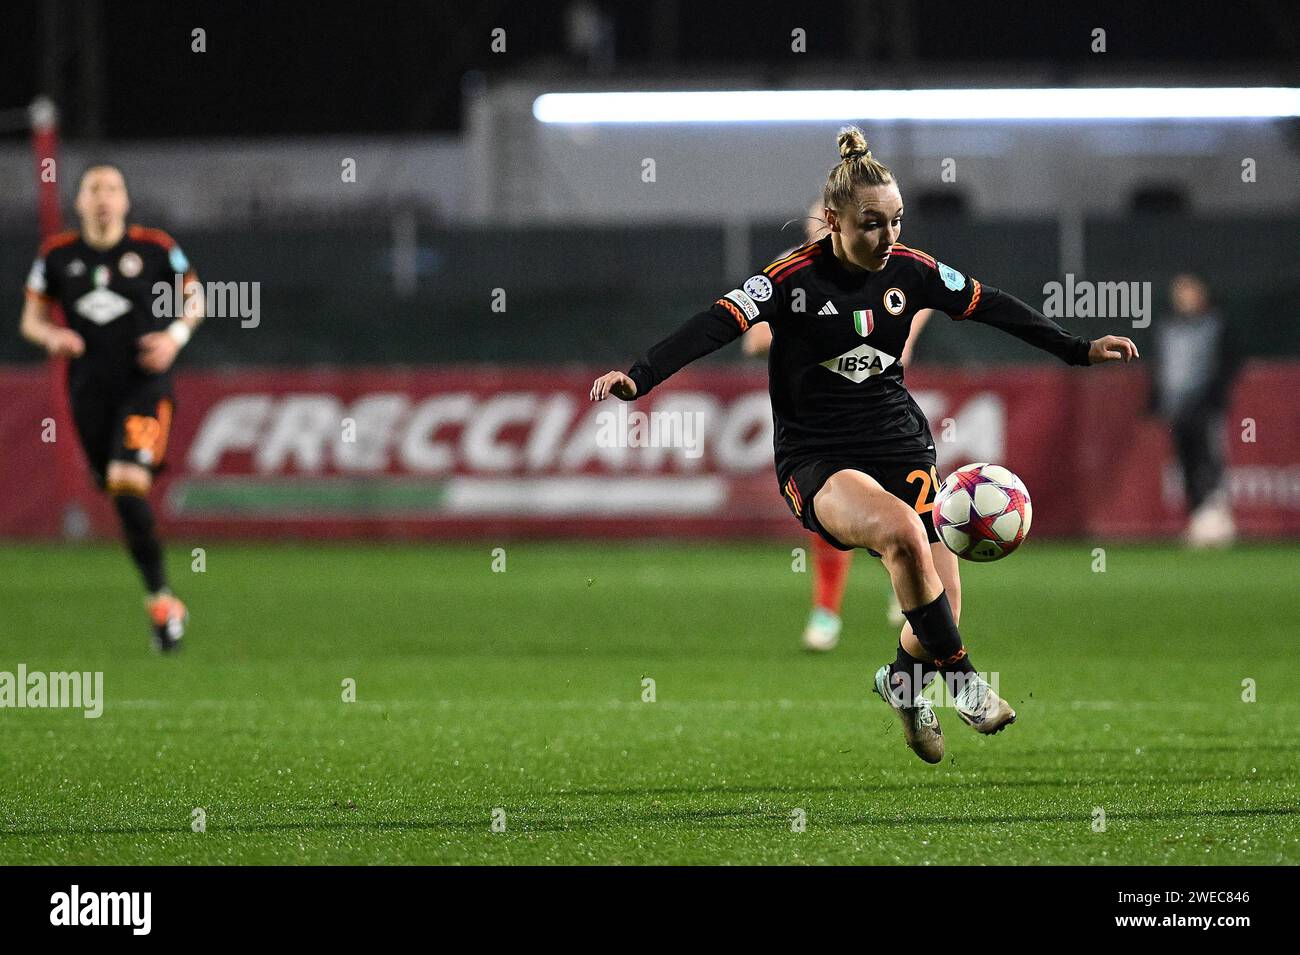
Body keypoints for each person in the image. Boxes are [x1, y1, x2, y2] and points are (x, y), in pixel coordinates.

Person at [590, 127, 1138, 763]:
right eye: (872, 224)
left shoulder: (913, 271)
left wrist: (1077, 349)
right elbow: (715, 323)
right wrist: (642, 375)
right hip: (817, 456)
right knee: (904, 533)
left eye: (896, 222)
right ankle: (963, 682)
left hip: (899, 441)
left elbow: (990, 305)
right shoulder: (787, 279)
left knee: (941, 605)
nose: (888, 238)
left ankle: (903, 686)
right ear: (832, 222)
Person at [20, 164, 204, 651]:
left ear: (125, 201)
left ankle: (161, 602)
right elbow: (31, 320)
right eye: (94, 189)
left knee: (127, 482)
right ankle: (163, 601)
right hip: (89, 392)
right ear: (79, 203)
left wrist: (175, 337)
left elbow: (195, 299)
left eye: (113, 189)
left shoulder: (156, 248)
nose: (104, 198)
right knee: (119, 492)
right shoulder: (56, 256)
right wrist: (52, 334)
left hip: (146, 385)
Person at [741, 198, 932, 651]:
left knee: (902, 510)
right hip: (822, 423)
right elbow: (753, 339)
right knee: (836, 513)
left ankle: (902, 585)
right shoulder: (794, 277)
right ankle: (827, 612)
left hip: (879, 412)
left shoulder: (889, 271)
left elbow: (925, 303)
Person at [1150, 273, 1241, 547]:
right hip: (1176, 409)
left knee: (1209, 459)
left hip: (1205, 407)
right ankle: (1198, 518)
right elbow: (1161, 368)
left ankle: (1218, 519)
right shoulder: (1167, 328)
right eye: (1179, 291)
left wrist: (1213, 396)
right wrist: (1155, 402)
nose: (1183, 297)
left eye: (1189, 290)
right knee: (1186, 463)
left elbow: (1229, 363)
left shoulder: (1216, 325)